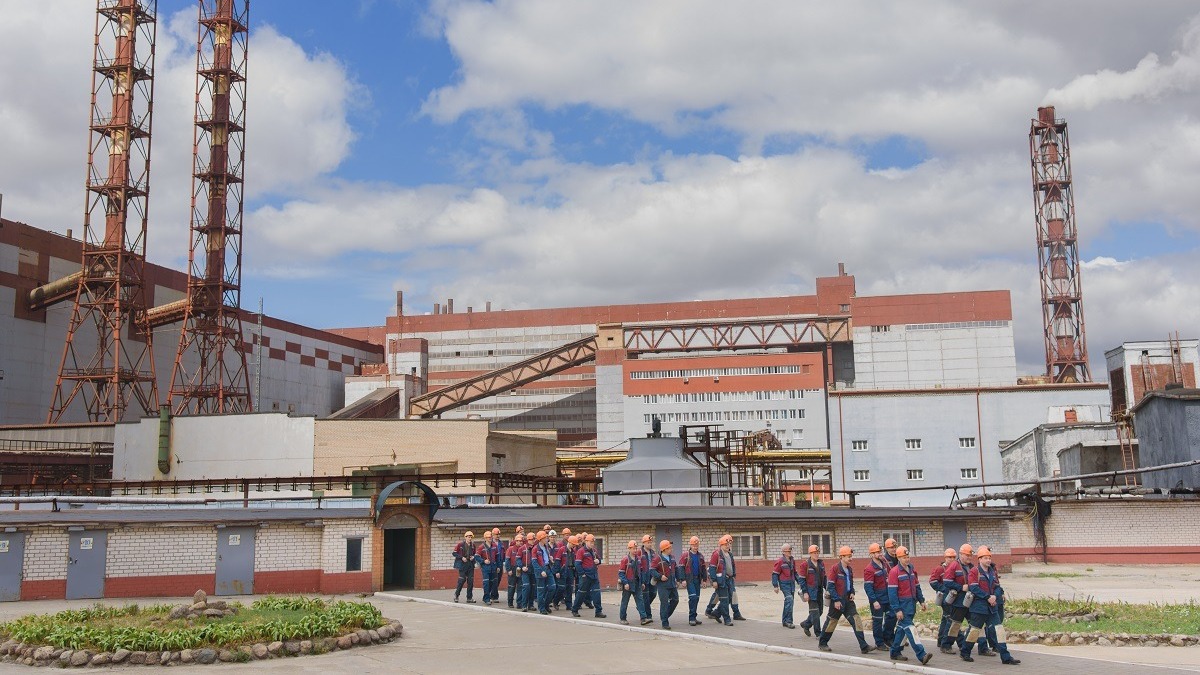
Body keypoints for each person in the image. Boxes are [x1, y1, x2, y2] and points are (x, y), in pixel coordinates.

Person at [962, 546, 1020, 665]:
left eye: (989, 558)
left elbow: (997, 587)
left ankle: (1006, 657)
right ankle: (965, 652)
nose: (988, 560)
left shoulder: (992, 571)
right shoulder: (974, 571)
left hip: (992, 607)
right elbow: (973, 587)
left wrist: (994, 596)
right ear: (979, 559)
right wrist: (987, 597)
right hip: (979, 608)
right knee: (974, 631)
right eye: (985, 558)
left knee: (999, 630)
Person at [818, 545, 871, 654]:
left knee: (856, 621)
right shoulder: (835, 568)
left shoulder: (849, 569)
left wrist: (852, 592)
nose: (850, 558)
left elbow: (850, 584)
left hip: (848, 601)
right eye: (848, 556)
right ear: (841, 557)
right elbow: (830, 586)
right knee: (831, 622)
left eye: (851, 556)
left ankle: (864, 646)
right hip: (837, 602)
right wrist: (836, 600)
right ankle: (822, 643)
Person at [940, 543, 991, 656]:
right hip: (959, 601)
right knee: (955, 624)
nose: (969, 557)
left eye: (970, 555)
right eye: (967, 555)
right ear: (961, 554)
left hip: (971, 601)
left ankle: (983, 648)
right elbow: (947, 582)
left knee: (977, 625)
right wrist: (960, 587)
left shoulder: (972, 567)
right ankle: (946, 645)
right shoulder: (954, 565)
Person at [887, 545, 933, 664]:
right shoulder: (894, 572)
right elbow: (892, 594)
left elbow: (916, 586)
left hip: (911, 605)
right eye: (904, 557)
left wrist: (921, 600)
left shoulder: (911, 569)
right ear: (898, 558)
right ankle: (921, 655)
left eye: (908, 557)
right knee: (911, 629)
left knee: (902, 630)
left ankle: (894, 652)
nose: (907, 559)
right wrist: (897, 610)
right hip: (902, 606)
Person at [864, 542, 894, 650]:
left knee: (892, 616)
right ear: (871, 554)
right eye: (876, 552)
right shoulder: (869, 569)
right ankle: (879, 643)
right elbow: (868, 587)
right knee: (877, 620)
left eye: (880, 551)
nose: (879, 554)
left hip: (887, 597)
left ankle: (887, 637)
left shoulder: (885, 564)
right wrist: (874, 600)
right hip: (878, 599)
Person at [571, 533, 606, 618]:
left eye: (593, 542)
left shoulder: (594, 551)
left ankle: (598, 611)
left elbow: (599, 559)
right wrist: (582, 574)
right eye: (591, 542)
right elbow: (577, 564)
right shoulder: (581, 551)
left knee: (597, 593)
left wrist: (598, 561)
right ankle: (575, 609)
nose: (592, 544)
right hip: (585, 576)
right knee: (581, 594)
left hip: (594, 575)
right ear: (586, 541)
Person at [652, 539, 682, 629]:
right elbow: (652, 570)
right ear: (664, 549)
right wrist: (660, 576)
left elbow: (676, 568)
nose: (671, 549)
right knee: (664, 603)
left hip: (672, 583)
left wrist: (678, 579)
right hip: (663, 585)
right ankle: (665, 622)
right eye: (669, 548)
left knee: (675, 600)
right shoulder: (657, 558)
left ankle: (664, 616)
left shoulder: (672, 557)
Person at [929, 548, 956, 649]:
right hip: (944, 598)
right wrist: (944, 589)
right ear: (945, 557)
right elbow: (932, 582)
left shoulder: (955, 569)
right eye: (950, 557)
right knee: (950, 619)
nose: (952, 559)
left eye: (953, 557)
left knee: (945, 619)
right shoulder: (940, 569)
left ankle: (940, 640)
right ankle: (945, 642)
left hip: (952, 597)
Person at [618, 540, 649, 625]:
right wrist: (625, 583)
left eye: (636, 548)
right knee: (625, 601)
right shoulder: (625, 559)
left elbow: (641, 571)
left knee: (640, 601)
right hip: (628, 583)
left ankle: (643, 618)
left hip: (637, 583)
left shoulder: (638, 559)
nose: (635, 550)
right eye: (633, 548)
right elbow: (621, 573)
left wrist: (642, 582)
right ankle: (623, 618)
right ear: (629, 549)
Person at [707, 534, 735, 626]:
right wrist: (714, 580)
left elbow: (732, 565)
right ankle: (727, 619)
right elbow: (712, 568)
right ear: (721, 545)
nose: (728, 546)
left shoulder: (730, 554)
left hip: (729, 580)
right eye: (726, 544)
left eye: (729, 544)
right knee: (724, 600)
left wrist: (733, 574)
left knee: (730, 598)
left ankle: (716, 613)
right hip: (721, 581)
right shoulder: (716, 554)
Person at [799, 543, 826, 637]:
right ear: (810, 553)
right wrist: (805, 592)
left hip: (819, 591)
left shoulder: (821, 563)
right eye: (814, 553)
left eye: (818, 552)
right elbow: (801, 580)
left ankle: (806, 624)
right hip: (811, 592)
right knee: (815, 612)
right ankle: (818, 633)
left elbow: (824, 577)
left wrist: (828, 589)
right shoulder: (805, 564)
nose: (816, 554)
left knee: (820, 611)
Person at [681, 536, 708, 626]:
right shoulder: (686, 555)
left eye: (697, 545)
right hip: (690, 580)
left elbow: (704, 568)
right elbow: (680, 568)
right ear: (690, 545)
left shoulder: (700, 556)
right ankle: (691, 618)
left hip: (697, 579)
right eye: (694, 545)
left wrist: (704, 580)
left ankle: (694, 617)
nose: (695, 547)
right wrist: (683, 579)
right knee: (692, 597)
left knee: (696, 598)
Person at [771, 543, 798, 629]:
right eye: (788, 551)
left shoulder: (792, 560)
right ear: (783, 552)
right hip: (784, 584)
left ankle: (786, 621)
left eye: (790, 550)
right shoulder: (780, 562)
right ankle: (788, 621)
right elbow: (775, 574)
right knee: (789, 599)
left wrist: (801, 582)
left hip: (792, 584)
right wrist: (775, 585)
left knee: (790, 602)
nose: (790, 552)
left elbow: (795, 572)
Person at [531, 530, 557, 614]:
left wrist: (550, 559)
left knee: (553, 587)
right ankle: (542, 608)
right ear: (541, 539)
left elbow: (546, 557)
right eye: (545, 537)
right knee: (541, 590)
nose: (547, 539)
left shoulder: (546, 547)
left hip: (548, 568)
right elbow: (534, 562)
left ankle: (546, 605)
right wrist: (541, 571)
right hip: (540, 570)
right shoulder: (535, 549)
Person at [475, 530, 502, 606]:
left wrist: (498, 567)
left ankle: (490, 596)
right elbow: (476, 556)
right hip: (486, 568)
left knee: (493, 583)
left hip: (493, 567)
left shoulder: (494, 546)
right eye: (488, 537)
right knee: (486, 583)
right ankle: (486, 598)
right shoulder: (481, 547)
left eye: (490, 537)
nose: (490, 538)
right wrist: (483, 561)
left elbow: (497, 557)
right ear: (485, 538)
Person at [452, 531, 476, 603]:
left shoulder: (473, 545)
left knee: (470, 581)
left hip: (470, 565)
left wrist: (473, 557)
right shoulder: (460, 545)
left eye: (471, 537)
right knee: (461, 580)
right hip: (463, 565)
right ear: (465, 537)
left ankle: (469, 598)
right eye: (469, 537)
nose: (470, 538)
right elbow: (454, 553)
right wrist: (461, 557)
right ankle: (456, 595)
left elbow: (475, 554)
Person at [505, 532, 526, 609]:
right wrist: (508, 570)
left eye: (521, 541)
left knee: (520, 587)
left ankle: (519, 603)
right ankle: (510, 602)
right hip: (513, 569)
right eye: (519, 541)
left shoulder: (524, 549)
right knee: (511, 587)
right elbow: (507, 560)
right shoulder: (510, 549)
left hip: (520, 569)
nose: (520, 542)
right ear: (516, 541)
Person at [639, 535, 657, 617]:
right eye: (648, 543)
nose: (650, 544)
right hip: (644, 577)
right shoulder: (640, 552)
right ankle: (648, 615)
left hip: (652, 576)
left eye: (651, 542)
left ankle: (641, 607)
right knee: (645, 596)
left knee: (653, 593)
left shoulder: (653, 553)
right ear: (644, 543)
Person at [489, 528, 504, 603]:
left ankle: (493, 594)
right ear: (492, 535)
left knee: (498, 580)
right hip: (493, 564)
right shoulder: (490, 543)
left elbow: (503, 554)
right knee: (493, 580)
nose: (498, 536)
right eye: (496, 534)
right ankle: (494, 596)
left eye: (498, 534)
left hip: (500, 563)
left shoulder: (501, 544)